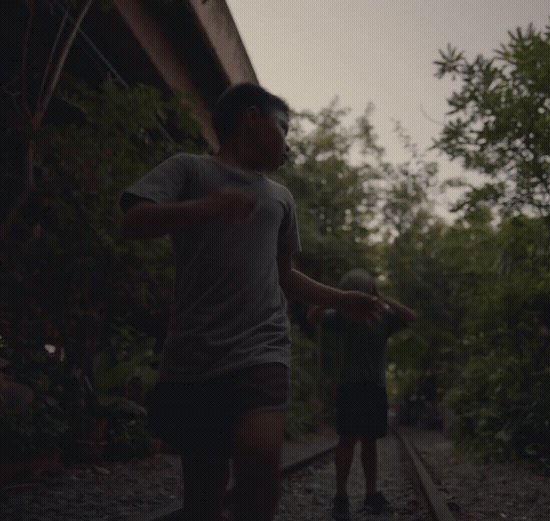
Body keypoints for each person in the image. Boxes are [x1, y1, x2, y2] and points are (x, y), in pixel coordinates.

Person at [119, 83, 383, 521]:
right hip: (194, 354)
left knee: (261, 463)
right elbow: (132, 222)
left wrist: (342, 300)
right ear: (252, 119)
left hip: (263, 347)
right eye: (284, 128)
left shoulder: (281, 197)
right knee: (204, 495)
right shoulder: (189, 169)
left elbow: (285, 276)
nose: (288, 143)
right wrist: (208, 207)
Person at [307, 268, 416, 521]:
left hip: (375, 388)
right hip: (350, 387)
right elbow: (313, 316)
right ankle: (341, 497)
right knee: (346, 441)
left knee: (370, 442)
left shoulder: (384, 319)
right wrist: (338, 298)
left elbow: (411, 317)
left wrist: (383, 298)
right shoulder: (343, 317)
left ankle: (371, 494)